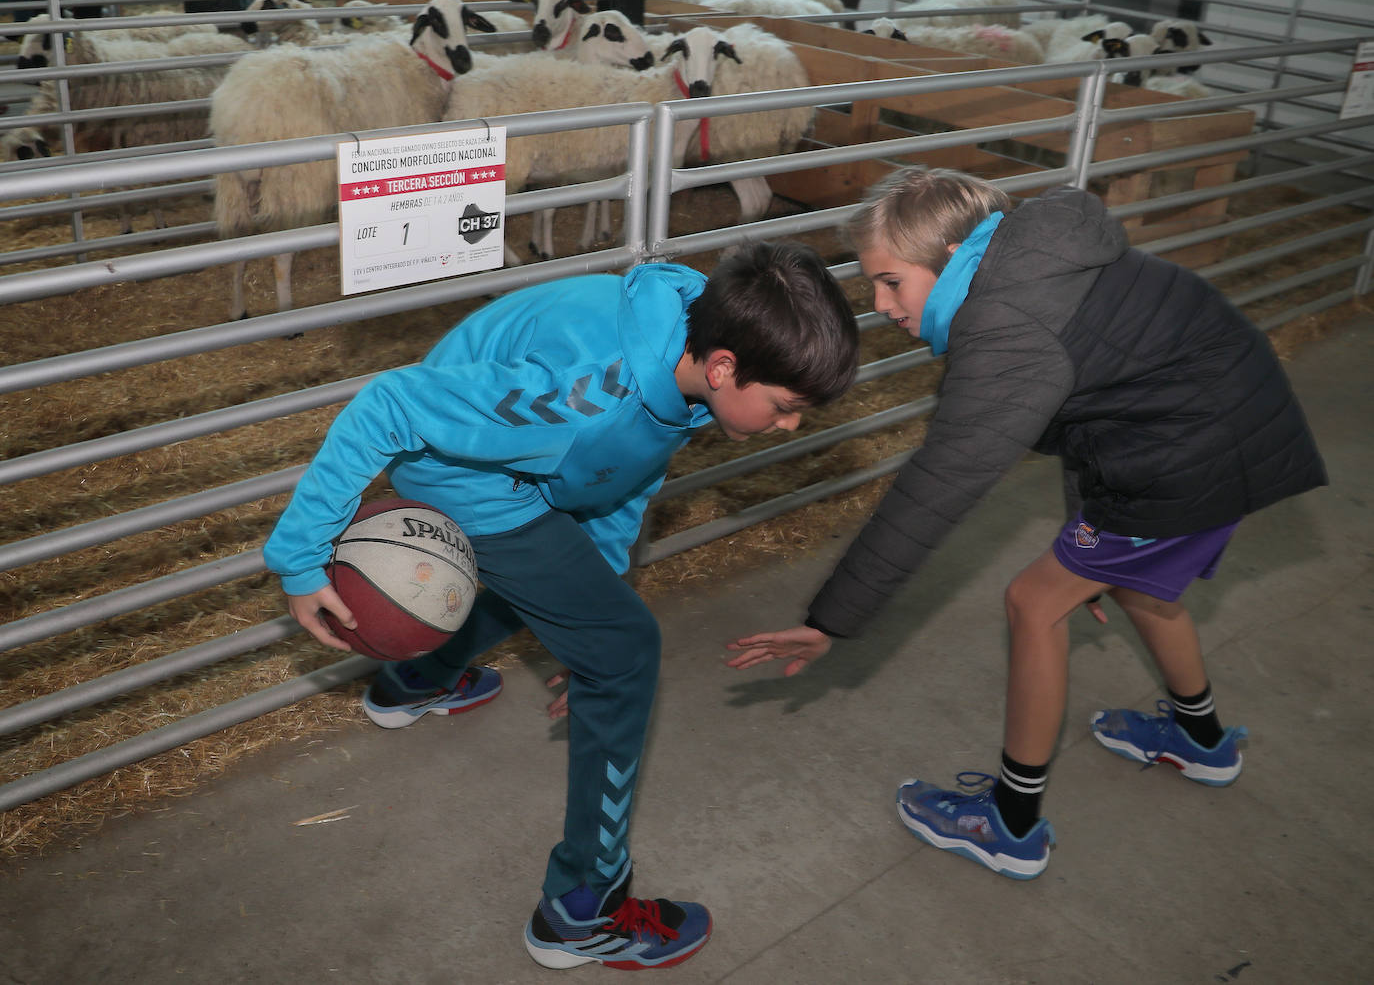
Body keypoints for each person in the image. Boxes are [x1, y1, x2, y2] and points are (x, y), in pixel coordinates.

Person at [264, 242, 859, 968]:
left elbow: (624, 472)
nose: (790, 425)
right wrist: (298, 556)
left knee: (577, 594)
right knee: (627, 649)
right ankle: (584, 909)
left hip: (532, 461)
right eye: (785, 407)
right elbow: (390, 405)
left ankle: (419, 678)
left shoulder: (688, 334)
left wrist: (589, 605)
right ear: (726, 367)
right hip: (467, 472)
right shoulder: (585, 392)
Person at [726, 168, 1327, 880]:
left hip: (1188, 458)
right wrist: (1091, 522)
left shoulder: (1007, 328)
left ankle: (1009, 823)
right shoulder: (1034, 263)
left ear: (951, 258)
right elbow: (1100, 399)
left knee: (1034, 602)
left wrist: (833, 617)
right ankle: (1203, 741)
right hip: (1217, 426)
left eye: (890, 282)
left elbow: (940, 484)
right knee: (1141, 590)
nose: (880, 304)